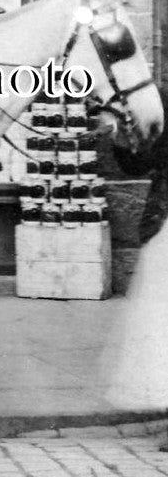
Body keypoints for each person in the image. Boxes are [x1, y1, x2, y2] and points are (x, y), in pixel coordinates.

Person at [104, 86, 168, 436]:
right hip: (166, 224)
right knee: (161, 322)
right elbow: (140, 162)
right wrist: (119, 138)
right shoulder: (162, 104)